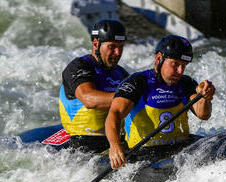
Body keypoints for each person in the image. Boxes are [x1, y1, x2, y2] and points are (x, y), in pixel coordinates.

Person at [105, 34, 216, 169]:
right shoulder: (138, 81)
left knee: (214, 143)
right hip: (146, 153)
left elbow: (203, 115)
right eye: (175, 64)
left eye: (183, 65)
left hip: (180, 148)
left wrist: (204, 97)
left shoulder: (185, 82)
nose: (180, 71)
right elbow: (114, 114)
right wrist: (115, 146)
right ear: (159, 59)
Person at [59, 19, 129, 153]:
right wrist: (130, 97)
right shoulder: (79, 66)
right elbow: (89, 99)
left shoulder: (121, 73)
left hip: (115, 141)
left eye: (121, 47)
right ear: (96, 44)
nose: (117, 52)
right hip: (83, 145)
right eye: (112, 46)